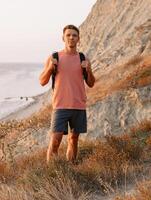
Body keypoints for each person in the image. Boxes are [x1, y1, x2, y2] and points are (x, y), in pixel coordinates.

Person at [39, 24, 95, 163]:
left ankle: (71, 167)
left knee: (73, 139)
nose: (71, 38)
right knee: (56, 140)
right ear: (63, 38)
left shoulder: (83, 58)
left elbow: (91, 83)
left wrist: (88, 70)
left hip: (78, 106)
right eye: (68, 35)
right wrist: (50, 68)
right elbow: (42, 81)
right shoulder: (54, 57)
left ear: (78, 39)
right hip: (60, 106)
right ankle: (51, 174)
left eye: (74, 35)